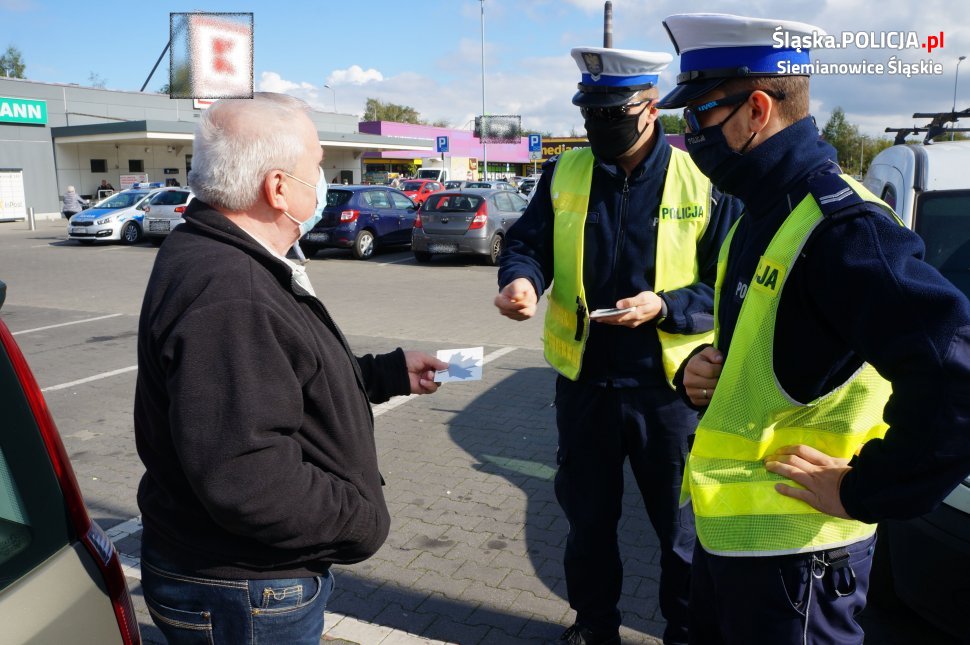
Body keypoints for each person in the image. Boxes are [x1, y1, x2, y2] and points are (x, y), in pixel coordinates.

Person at [657, 13, 970, 644]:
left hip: (798, 562)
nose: (689, 134)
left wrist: (866, 490)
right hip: (735, 551)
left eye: (699, 116)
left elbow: (956, 376)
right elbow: (767, 354)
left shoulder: (844, 229)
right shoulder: (762, 214)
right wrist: (699, 370)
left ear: (757, 109)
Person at [133, 92, 447, 645]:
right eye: (318, 165)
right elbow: (246, 478)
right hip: (245, 593)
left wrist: (385, 374)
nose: (323, 180)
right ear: (278, 188)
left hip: (238, 584)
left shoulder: (224, 253)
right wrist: (360, 520)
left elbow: (276, 378)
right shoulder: (231, 290)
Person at [494, 47, 741, 645]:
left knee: (682, 534)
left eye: (612, 114)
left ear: (650, 110)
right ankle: (594, 628)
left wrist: (666, 305)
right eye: (590, 116)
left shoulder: (703, 177)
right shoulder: (566, 173)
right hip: (585, 389)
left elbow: (731, 284)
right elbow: (528, 243)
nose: (599, 127)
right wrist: (520, 279)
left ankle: (685, 634)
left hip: (670, 395)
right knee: (588, 527)